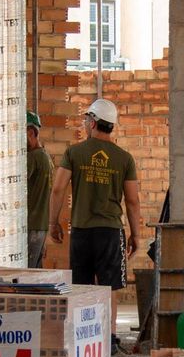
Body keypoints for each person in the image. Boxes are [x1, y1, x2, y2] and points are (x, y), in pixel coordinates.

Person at [50, 98, 141, 291]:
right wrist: (136, 235)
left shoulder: (74, 153)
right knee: (110, 290)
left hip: (81, 232)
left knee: (81, 291)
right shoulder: (124, 159)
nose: (84, 125)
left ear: (92, 122)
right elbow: (132, 201)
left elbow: (58, 189)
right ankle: (110, 323)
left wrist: (53, 222)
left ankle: (84, 322)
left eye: (85, 121)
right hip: (110, 233)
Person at [25, 110, 53, 268]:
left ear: (30, 132)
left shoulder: (32, 158)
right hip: (40, 226)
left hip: (31, 226)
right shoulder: (45, 157)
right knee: (35, 273)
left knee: (25, 276)